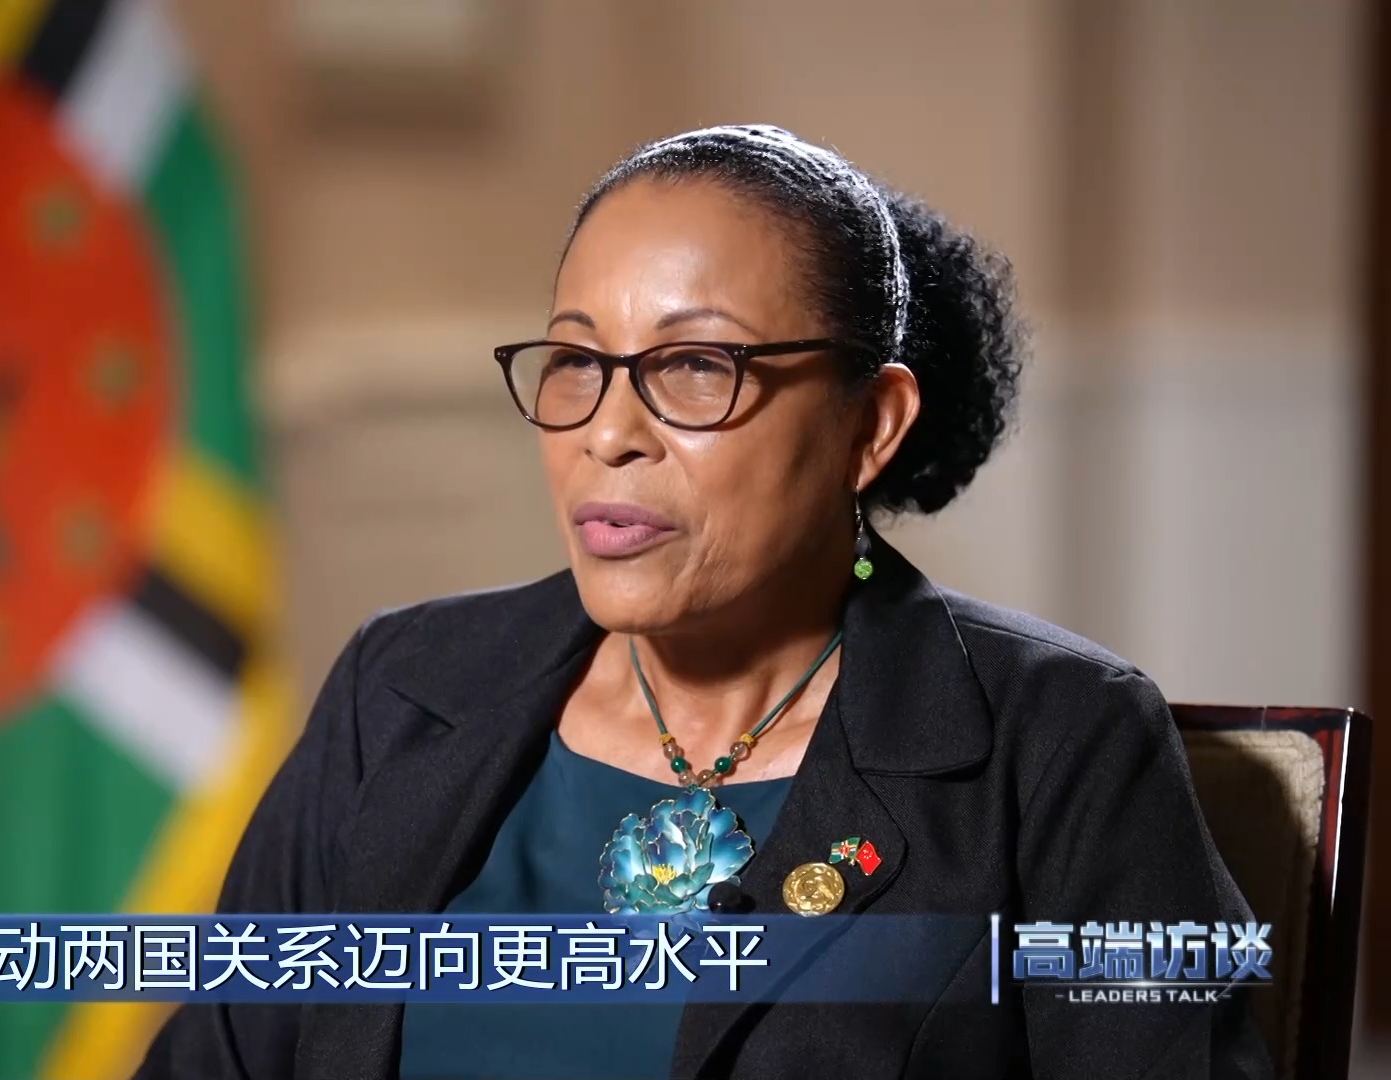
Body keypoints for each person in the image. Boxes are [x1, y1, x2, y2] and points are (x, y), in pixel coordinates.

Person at [137, 124, 1271, 1080]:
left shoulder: (1060, 744)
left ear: (872, 424)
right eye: (577, 362)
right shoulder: (401, 691)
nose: (607, 433)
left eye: (694, 367)